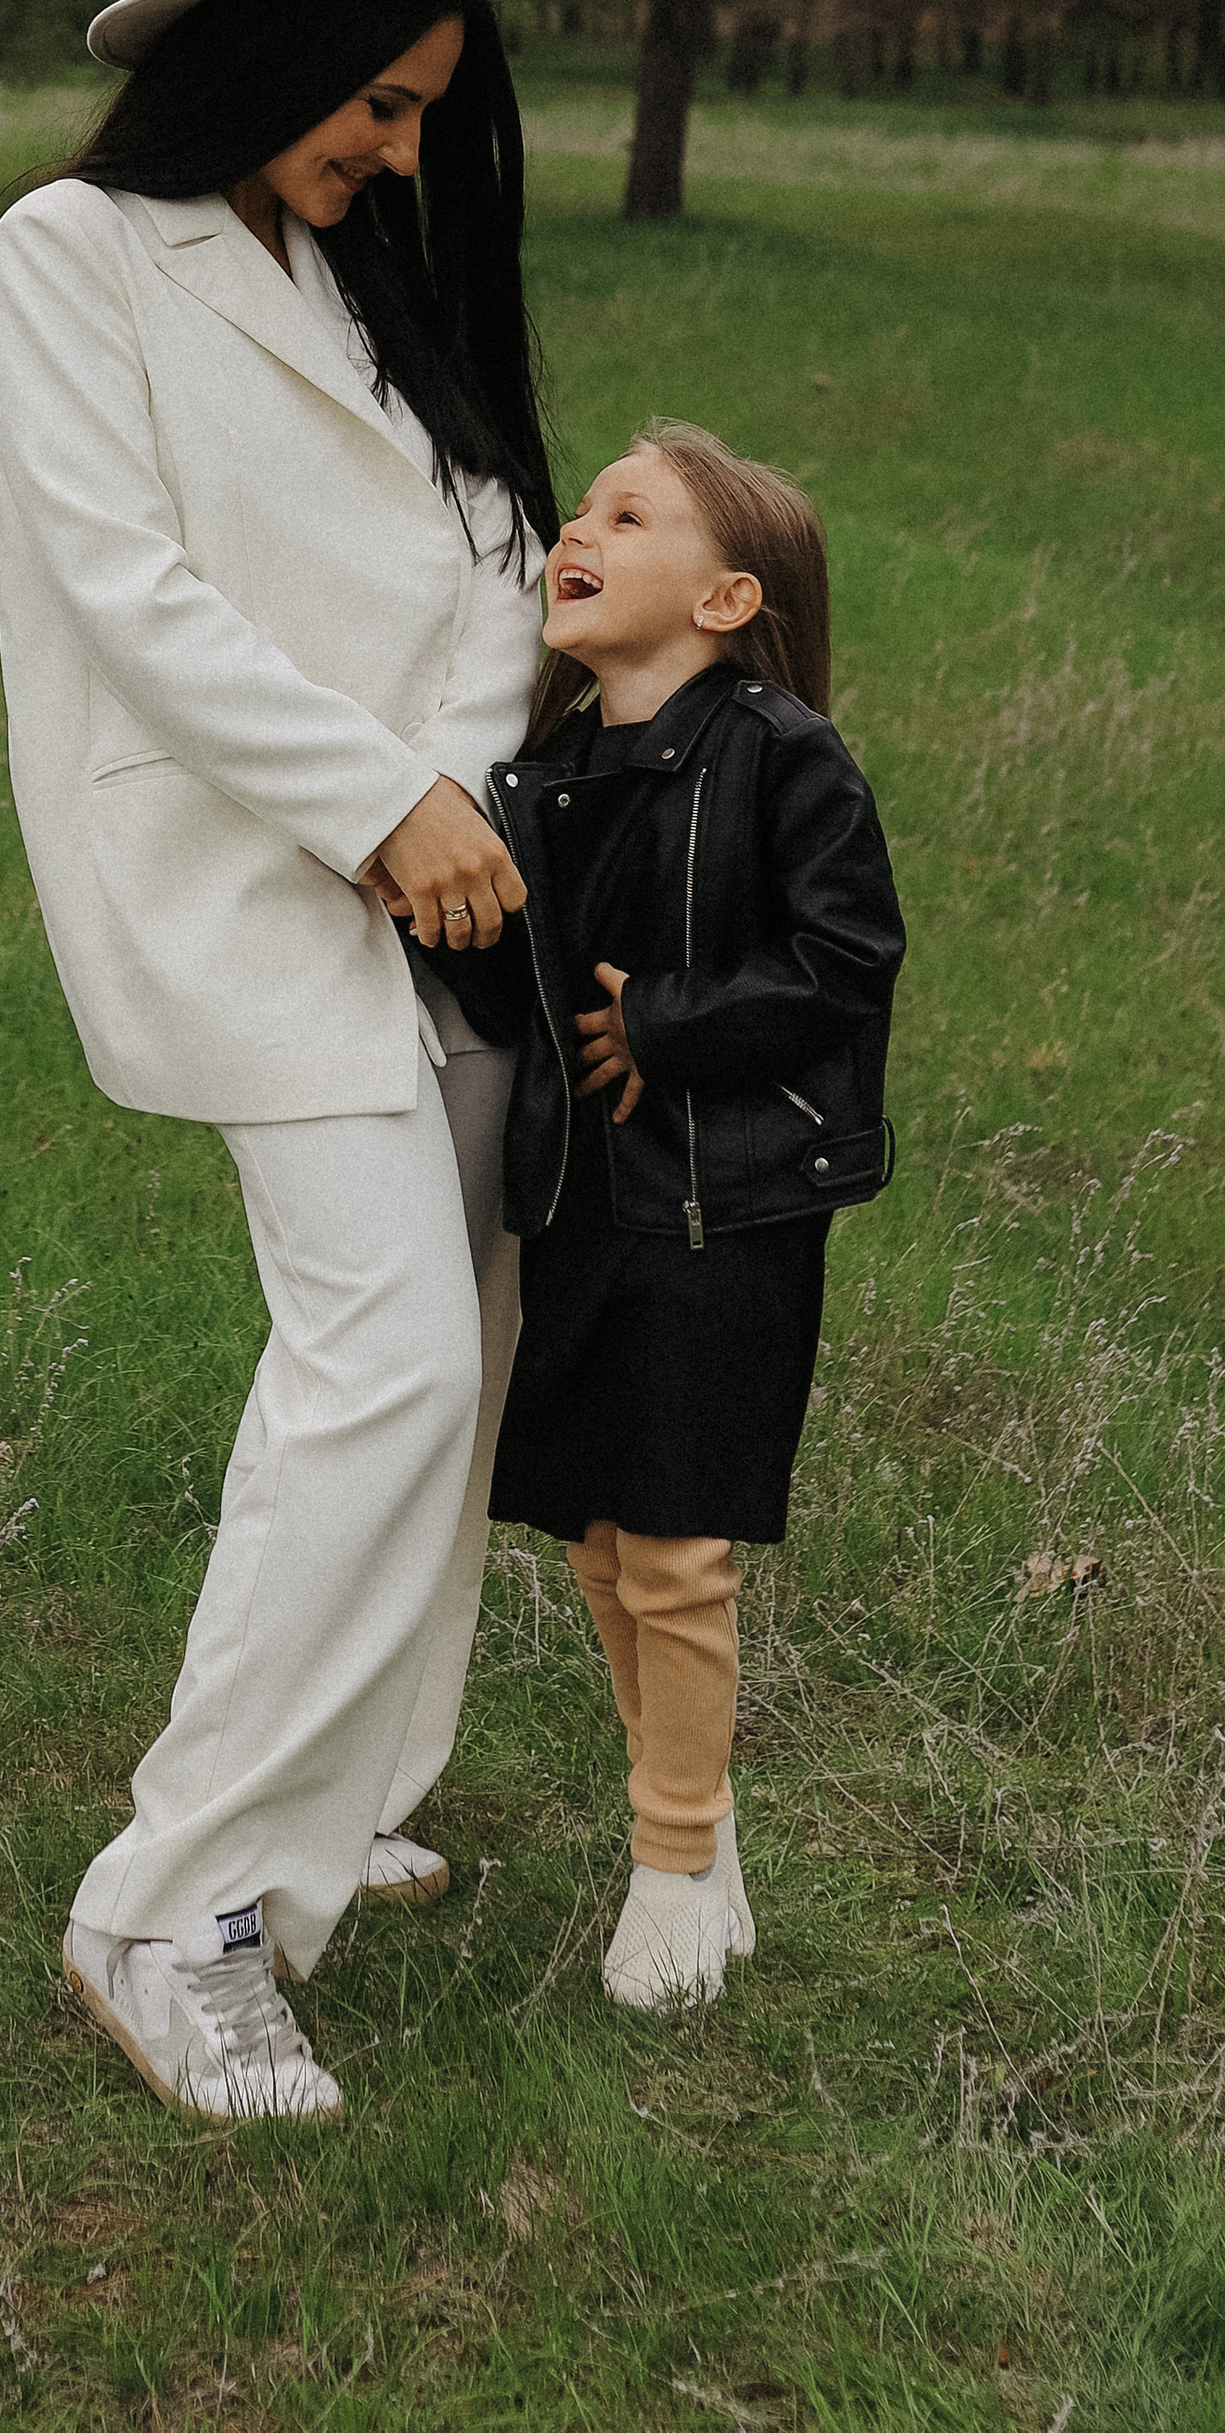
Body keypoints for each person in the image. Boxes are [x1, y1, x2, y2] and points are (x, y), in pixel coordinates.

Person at [0, 0, 561, 2122]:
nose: (398, 149)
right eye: (378, 102)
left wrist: (504, 809)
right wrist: (372, 803)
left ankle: (333, 1806)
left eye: (423, 113)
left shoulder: (361, 275)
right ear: (268, 57)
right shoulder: (73, 255)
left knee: (475, 1350)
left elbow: (476, 563)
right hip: (254, 884)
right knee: (384, 1363)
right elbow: (129, 584)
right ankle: (167, 1906)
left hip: (462, 900)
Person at [442, 422, 906, 2010]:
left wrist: (675, 1025)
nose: (579, 527)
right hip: (584, 1203)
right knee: (593, 1536)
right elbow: (523, 979)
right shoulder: (550, 771)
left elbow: (848, 964)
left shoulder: (787, 757)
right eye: (585, 507)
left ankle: (670, 1860)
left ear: (722, 602)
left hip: (730, 1210)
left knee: (680, 1547)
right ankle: (695, 1836)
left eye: (627, 515)